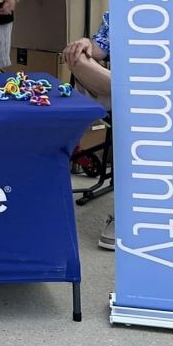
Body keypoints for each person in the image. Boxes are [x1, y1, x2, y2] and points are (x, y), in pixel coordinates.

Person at [63, 13, 113, 250]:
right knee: (77, 56)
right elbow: (101, 46)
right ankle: (131, 212)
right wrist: (86, 44)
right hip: (138, 88)